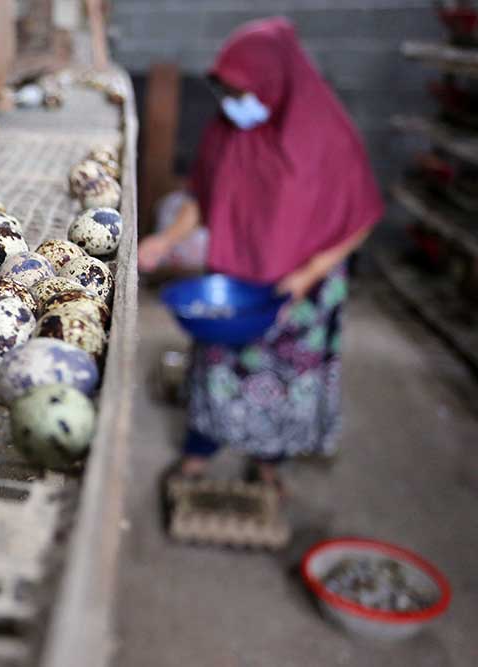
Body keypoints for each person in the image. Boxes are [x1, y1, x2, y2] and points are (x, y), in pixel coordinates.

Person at [138, 18, 384, 494]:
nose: (234, 103)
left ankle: (270, 461)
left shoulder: (326, 137)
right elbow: (202, 200)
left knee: (288, 378)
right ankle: (200, 449)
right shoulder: (228, 130)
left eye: (243, 91)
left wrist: (308, 272)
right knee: (220, 366)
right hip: (238, 278)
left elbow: (361, 216)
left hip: (303, 289)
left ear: (276, 81)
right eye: (227, 91)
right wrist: (165, 240)